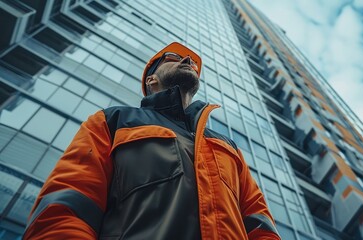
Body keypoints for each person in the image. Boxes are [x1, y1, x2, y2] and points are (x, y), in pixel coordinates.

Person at [24, 42, 280, 239]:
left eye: (189, 61)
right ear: (151, 80)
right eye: (174, 58)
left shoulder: (228, 147)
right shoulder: (113, 120)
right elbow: (69, 204)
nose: (188, 60)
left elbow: (260, 225)